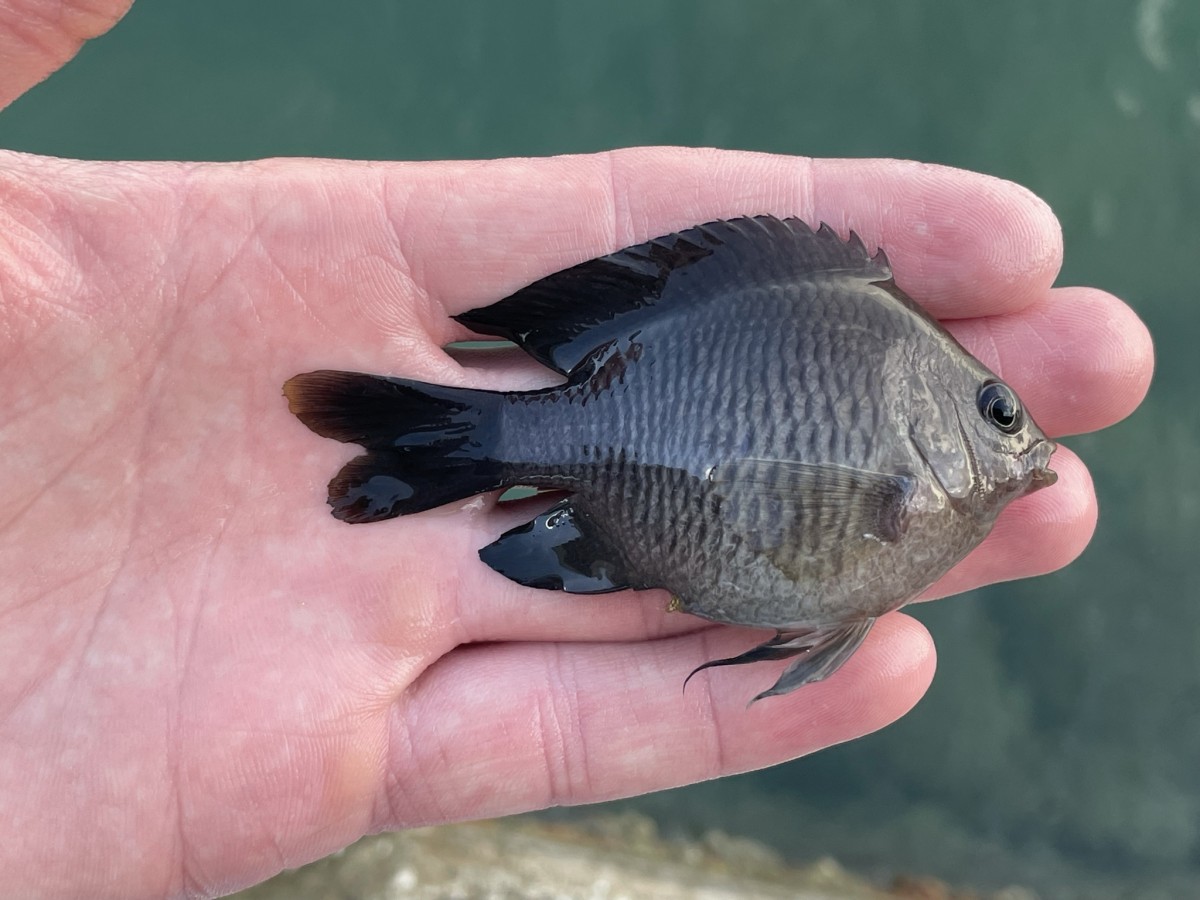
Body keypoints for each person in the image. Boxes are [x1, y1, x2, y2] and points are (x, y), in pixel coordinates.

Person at [0, 2, 1153, 898]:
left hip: (631, 483)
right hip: (627, 466)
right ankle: (452, 441)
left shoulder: (908, 413)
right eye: (1001, 414)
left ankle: (449, 446)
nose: (1020, 440)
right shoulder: (901, 407)